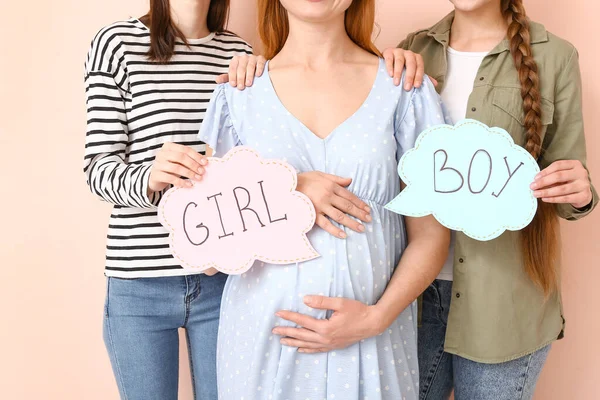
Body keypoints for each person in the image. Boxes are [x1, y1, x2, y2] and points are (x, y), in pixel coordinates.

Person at [224, 1, 597, 399]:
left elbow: (568, 180)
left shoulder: (553, 57)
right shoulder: (411, 54)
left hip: (501, 296)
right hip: (417, 299)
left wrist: (579, 192)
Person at [199, 0, 451, 398]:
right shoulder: (238, 94)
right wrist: (288, 191)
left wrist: (375, 319)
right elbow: (212, 248)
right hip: (262, 343)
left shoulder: (402, 87)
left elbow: (432, 234)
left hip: (375, 344)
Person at [83, 0, 252, 398]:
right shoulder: (116, 43)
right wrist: (150, 177)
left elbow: (253, 167)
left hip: (224, 281)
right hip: (139, 282)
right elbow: (97, 170)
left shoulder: (240, 54)